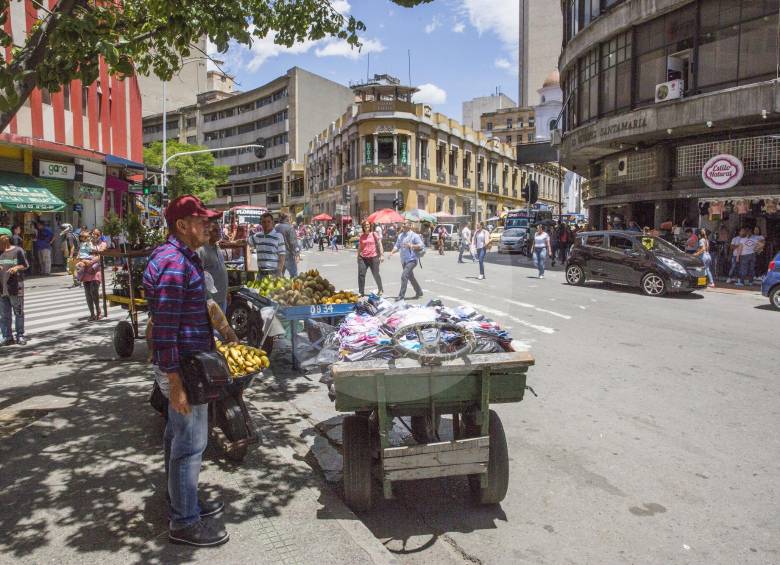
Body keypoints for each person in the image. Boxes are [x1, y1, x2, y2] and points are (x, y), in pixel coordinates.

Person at [142, 195, 229, 547]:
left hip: (188, 364)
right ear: (181, 225)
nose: (209, 226)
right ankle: (184, 522)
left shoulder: (181, 256)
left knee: (176, 438)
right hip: (184, 369)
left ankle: (181, 499)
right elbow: (164, 328)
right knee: (190, 445)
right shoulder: (174, 264)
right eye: (202, 220)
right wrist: (175, 383)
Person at [0, 227, 29, 346]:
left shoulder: (18, 250)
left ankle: (20, 335)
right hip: (2, 289)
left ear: (6, 238)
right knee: (4, 315)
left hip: (15, 287)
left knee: (18, 313)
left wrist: (16, 267)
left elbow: (25, 265)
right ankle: (7, 336)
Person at [197, 219, 229, 313]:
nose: (218, 232)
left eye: (219, 230)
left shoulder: (217, 247)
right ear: (207, 231)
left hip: (222, 298)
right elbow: (199, 278)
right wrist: (209, 299)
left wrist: (227, 291)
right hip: (211, 302)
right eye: (215, 230)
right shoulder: (201, 250)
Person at [389, 221, 424, 300]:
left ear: (409, 225)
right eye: (403, 224)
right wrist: (392, 252)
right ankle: (419, 291)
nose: (403, 225)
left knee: (404, 276)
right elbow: (397, 245)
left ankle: (401, 296)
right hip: (404, 260)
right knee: (411, 277)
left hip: (412, 260)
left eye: (405, 224)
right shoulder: (400, 236)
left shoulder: (414, 235)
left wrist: (411, 245)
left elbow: (421, 245)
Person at [80, 230, 107, 321]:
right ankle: (92, 313)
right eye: (93, 234)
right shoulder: (87, 244)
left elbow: (101, 256)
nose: (95, 235)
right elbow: (81, 255)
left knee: (94, 291)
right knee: (88, 294)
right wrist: (84, 261)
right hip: (86, 270)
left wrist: (91, 261)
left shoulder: (102, 244)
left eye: (97, 234)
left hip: (96, 270)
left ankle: (98, 311)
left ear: (100, 235)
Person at [249, 212, 286, 278]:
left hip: (274, 274)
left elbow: (282, 255)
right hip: (260, 274)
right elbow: (246, 242)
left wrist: (279, 271)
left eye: (268, 222)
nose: (266, 224)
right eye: (264, 222)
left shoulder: (278, 236)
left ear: (272, 222)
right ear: (261, 223)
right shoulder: (257, 236)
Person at [357, 221, 384, 296]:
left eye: (368, 224)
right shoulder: (361, 236)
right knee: (361, 274)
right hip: (363, 258)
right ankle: (361, 292)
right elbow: (360, 247)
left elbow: (379, 244)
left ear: (370, 226)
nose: (366, 226)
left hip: (373, 257)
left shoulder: (374, 234)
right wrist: (358, 256)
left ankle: (380, 288)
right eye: (365, 225)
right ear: (363, 227)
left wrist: (382, 255)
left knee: (376, 274)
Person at [275, 213, 300, 277]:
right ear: (288, 219)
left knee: (279, 276)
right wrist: (297, 254)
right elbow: (293, 242)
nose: (291, 220)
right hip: (288, 255)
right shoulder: (289, 228)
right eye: (290, 219)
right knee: (294, 275)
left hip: (278, 255)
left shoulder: (276, 228)